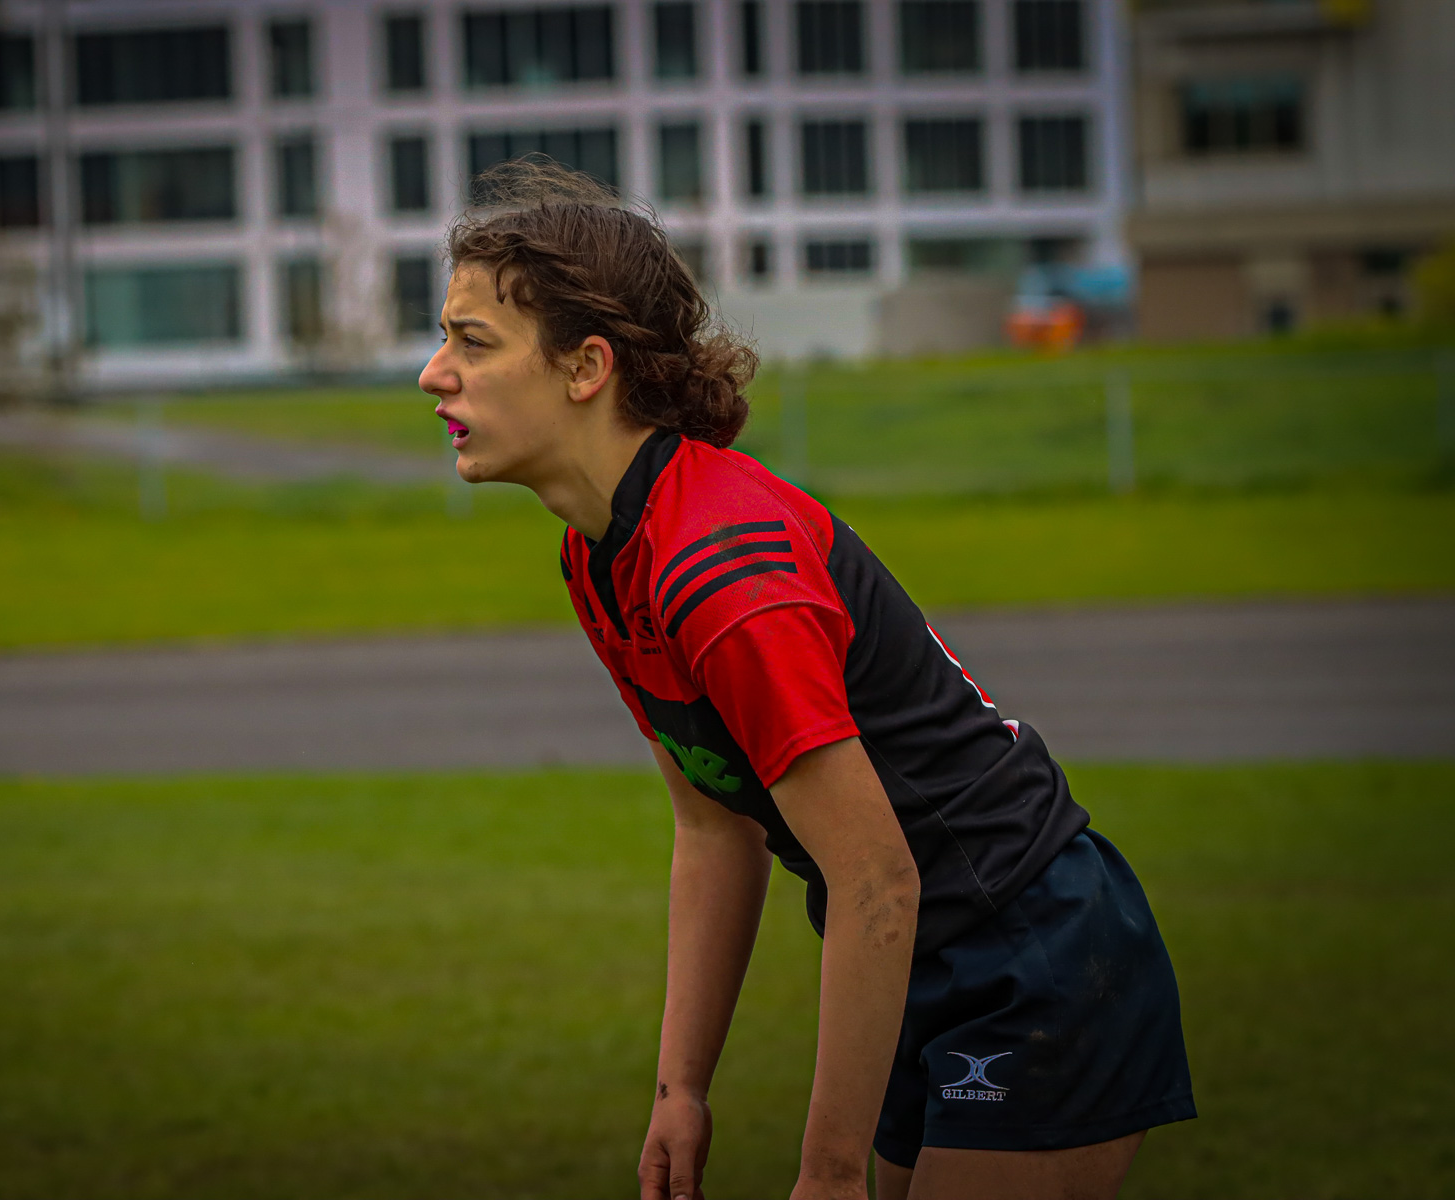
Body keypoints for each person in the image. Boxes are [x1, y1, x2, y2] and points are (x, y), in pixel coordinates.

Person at [417, 163, 1194, 1200]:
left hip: (1034, 950)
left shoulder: (720, 570)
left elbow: (880, 877)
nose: (433, 373)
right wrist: (679, 1090)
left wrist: (827, 1176)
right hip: (913, 958)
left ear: (586, 366)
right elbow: (712, 826)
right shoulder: (602, 552)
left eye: (472, 342)